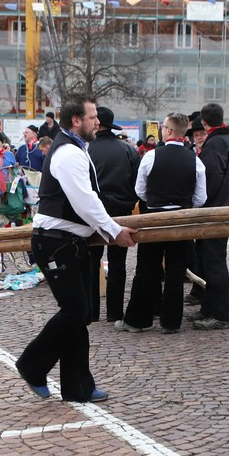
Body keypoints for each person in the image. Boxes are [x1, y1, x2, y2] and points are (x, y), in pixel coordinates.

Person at [15, 94, 136, 402]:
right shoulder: (68, 153)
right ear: (76, 121)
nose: (99, 122)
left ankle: (77, 386)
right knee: (75, 311)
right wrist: (114, 231)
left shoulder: (75, 148)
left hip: (69, 241)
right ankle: (32, 365)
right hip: (56, 242)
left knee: (79, 314)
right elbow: (84, 201)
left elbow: (86, 201)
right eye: (94, 117)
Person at [122, 112, 205, 333]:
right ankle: (171, 322)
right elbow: (201, 198)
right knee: (176, 271)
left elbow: (140, 191)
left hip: (154, 219)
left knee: (146, 270)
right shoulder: (195, 160)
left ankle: (137, 320)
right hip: (181, 220)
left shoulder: (150, 156)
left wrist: (157, 202)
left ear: (168, 131)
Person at [190, 102, 229, 330]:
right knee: (209, 260)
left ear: (204, 122)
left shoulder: (215, 144)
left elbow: (210, 180)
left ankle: (221, 314)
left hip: (216, 210)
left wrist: (197, 202)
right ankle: (208, 308)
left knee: (214, 263)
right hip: (227, 206)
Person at [86, 106, 140, 325]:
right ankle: (115, 313)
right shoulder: (127, 149)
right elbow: (138, 184)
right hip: (121, 212)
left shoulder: (86, 150)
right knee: (118, 264)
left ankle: (92, 312)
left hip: (93, 212)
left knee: (91, 263)